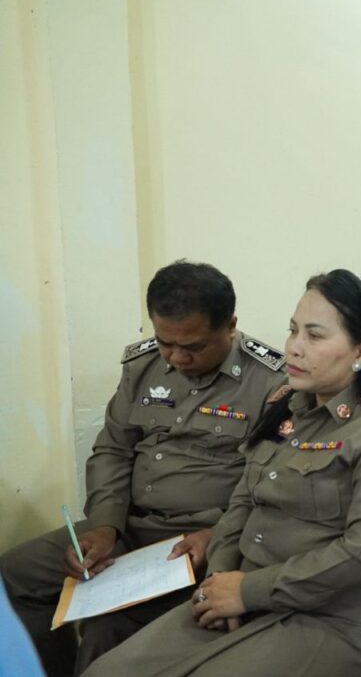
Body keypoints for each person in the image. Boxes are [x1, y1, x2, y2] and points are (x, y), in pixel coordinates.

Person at [85, 270, 361, 677]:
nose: (294, 348)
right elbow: (241, 503)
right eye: (293, 330)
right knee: (106, 671)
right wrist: (220, 578)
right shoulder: (285, 405)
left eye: (314, 336)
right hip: (242, 590)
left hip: (332, 617)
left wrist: (248, 592)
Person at [0, 261, 285, 677]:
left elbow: (274, 486)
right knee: (14, 575)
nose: (177, 357)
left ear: (230, 326)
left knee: (107, 626)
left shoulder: (271, 382)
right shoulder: (142, 366)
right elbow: (113, 450)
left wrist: (217, 535)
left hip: (201, 542)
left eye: (193, 346)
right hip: (128, 529)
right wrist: (104, 526)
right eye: (166, 342)